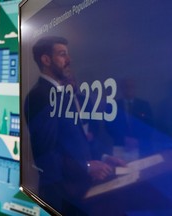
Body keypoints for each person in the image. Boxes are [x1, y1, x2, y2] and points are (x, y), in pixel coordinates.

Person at [24, 36, 124, 215]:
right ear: (46, 60)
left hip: (79, 191)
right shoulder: (40, 96)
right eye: (62, 55)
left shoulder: (60, 94)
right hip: (61, 195)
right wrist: (86, 167)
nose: (68, 60)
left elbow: (72, 142)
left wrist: (102, 157)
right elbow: (46, 156)